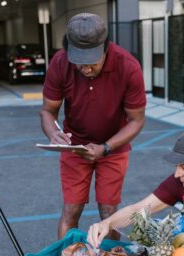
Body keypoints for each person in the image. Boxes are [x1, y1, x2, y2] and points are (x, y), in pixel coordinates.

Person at [40, 13, 146, 239]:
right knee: (71, 209)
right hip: (75, 146)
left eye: (91, 62)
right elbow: (48, 111)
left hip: (113, 148)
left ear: (105, 48)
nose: (85, 69)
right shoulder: (60, 63)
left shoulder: (128, 66)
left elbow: (136, 120)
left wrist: (105, 147)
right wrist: (53, 133)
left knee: (108, 212)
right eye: (78, 62)